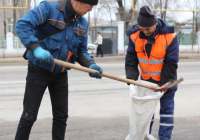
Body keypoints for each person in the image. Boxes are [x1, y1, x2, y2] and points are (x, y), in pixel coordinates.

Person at [14, 0, 103, 140]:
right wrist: (35, 48)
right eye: (90, 5)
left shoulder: (83, 23)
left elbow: (82, 51)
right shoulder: (48, 8)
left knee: (61, 117)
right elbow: (22, 25)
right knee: (29, 116)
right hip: (38, 70)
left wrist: (90, 65)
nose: (91, 9)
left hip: (61, 73)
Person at [125, 6, 179, 140]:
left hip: (166, 82)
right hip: (147, 83)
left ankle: (165, 138)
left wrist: (163, 85)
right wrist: (131, 77)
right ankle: (145, 137)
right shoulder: (135, 36)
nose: (145, 32)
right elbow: (131, 59)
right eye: (142, 29)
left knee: (166, 113)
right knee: (146, 114)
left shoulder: (170, 37)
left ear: (155, 23)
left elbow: (171, 63)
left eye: (147, 29)